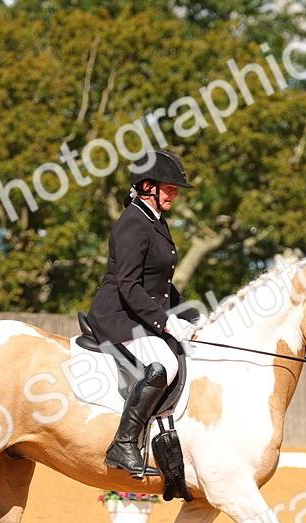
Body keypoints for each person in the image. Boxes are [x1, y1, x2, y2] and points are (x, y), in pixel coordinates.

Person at [87, 150, 201, 478]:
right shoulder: (133, 223)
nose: (176, 193)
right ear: (148, 186)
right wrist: (165, 322)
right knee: (162, 365)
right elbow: (129, 285)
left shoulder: (155, 221)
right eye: (170, 188)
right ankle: (123, 444)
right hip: (116, 315)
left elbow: (161, 285)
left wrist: (193, 315)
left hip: (139, 313)